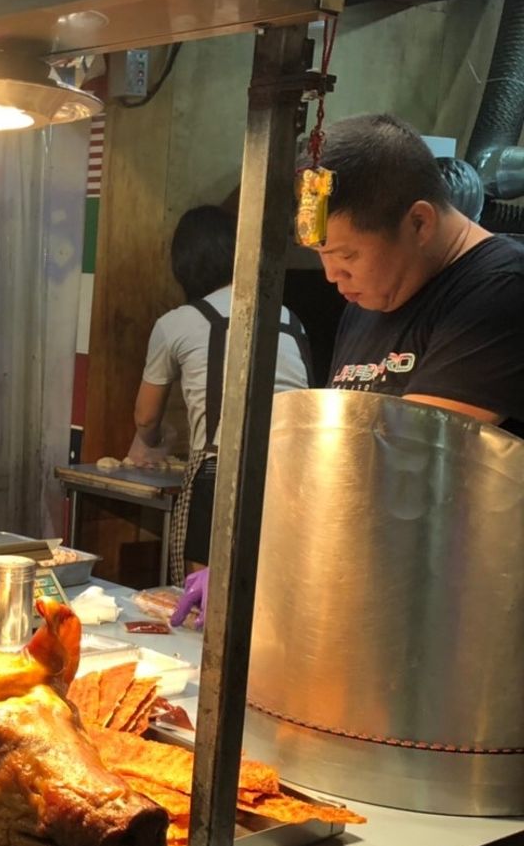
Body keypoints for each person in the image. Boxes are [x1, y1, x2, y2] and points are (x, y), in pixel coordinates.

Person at [172, 112, 524, 626]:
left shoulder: (500, 291)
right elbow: (339, 448)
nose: (333, 276)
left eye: (347, 254)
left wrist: (261, 565)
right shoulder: (369, 299)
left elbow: (402, 466)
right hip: (376, 605)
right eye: (321, 255)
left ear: (420, 221)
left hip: (465, 622)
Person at [129, 204, 313, 582]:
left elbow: (146, 418)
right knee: (270, 597)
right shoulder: (290, 318)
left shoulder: (176, 323)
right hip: (297, 474)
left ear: (184, 264)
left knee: (205, 601)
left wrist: (153, 441)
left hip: (220, 473)